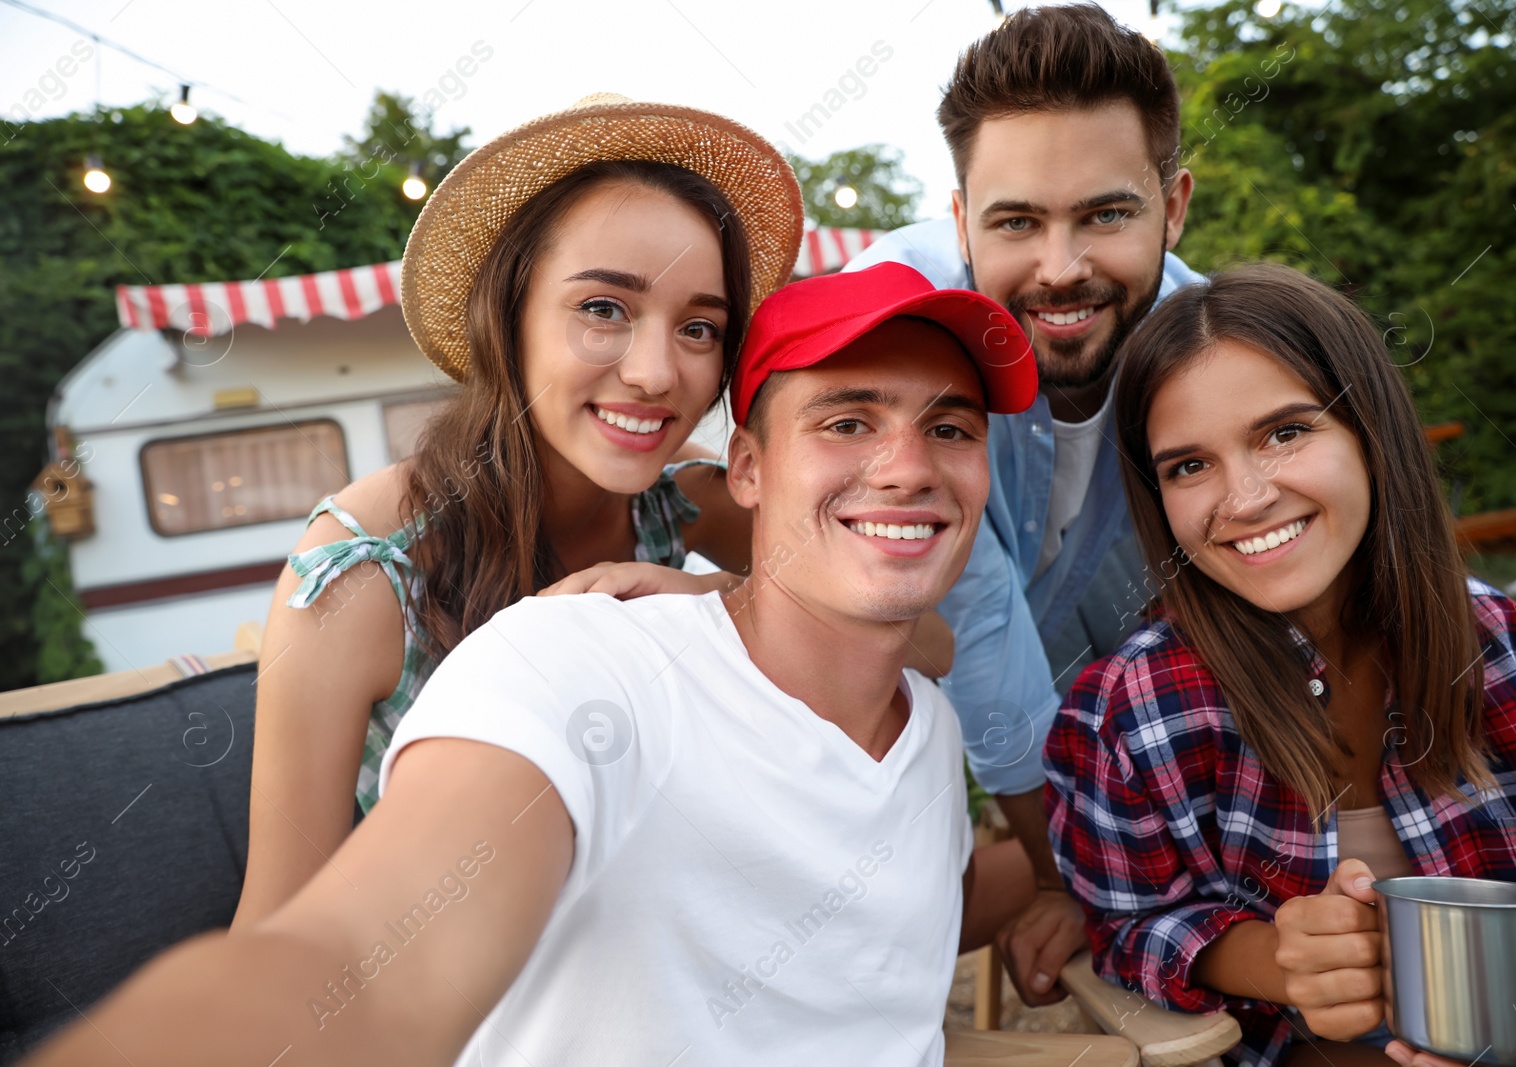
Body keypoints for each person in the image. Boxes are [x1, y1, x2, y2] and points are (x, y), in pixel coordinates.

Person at [25, 263, 1043, 1067]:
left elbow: (892, 919)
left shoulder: (908, 716)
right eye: (848, 420)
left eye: (949, 427)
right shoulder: (551, 648)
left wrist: (711, 592)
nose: (908, 465)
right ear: (748, 467)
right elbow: (356, 963)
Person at [230, 96, 942, 928]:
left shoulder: (682, 500)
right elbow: (276, 926)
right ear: (508, 315)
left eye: (700, 327)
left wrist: (724, 602)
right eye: (604, 309)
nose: (655, 372)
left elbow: (929, 644)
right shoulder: (365, 569)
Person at [1045, 263, 1516, 1067]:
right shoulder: (1133, 710)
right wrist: (1276, 958)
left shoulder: (1504, 648)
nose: (1245, 497)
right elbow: (1127, 927)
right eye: (1188, 465)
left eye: (1285, 432)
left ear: (1372, 433)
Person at [844, 2, 1201, 1004]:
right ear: (962, 221)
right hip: (849, 672)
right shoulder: (897, 316)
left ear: (1172, 207)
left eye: (1106, 214)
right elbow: (976, 619)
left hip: (1077, 647)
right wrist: (1060, 876)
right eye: (1016, 222)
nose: (1060, 267)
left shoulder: (1213, 344)